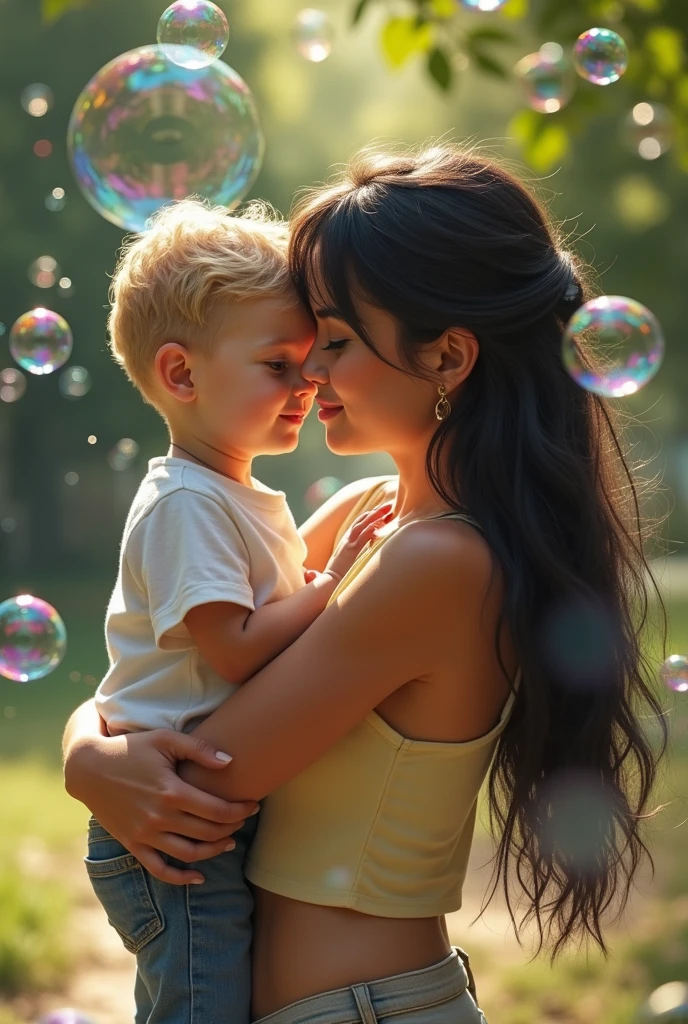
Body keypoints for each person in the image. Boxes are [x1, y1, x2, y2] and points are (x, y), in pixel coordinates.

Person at [63, 141, 669, 1024]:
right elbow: (182, 662)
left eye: (337, 342)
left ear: (448, 359)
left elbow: (209, 769)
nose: (309, 371)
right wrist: (88, 748)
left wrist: (89, 755)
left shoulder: (437, 562)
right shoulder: (370, 514)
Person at [83, 197, 392, 1024]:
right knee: (202, 1006)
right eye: (278, 366)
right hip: (172, 835)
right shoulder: (187, 504)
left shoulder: (230, 494)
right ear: (182, 374)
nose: (308, 382)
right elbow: (240, 654)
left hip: (195, 815)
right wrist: (336, 584)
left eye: (310, 360)